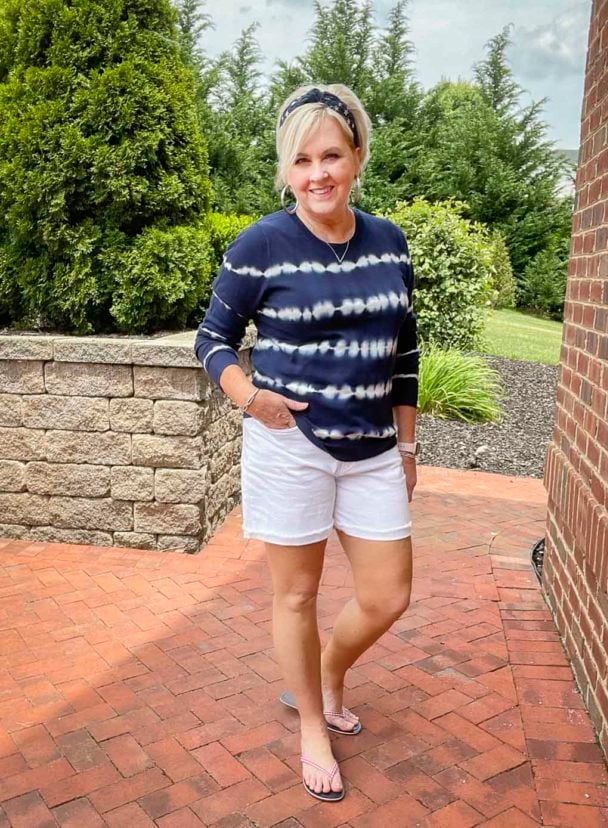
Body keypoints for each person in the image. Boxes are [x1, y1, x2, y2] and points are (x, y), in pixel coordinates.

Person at [195, 84, 419, 803]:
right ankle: (312, 728)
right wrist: (251, 398)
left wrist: (408, 448)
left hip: (375, 446)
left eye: (332, 155)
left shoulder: (390, 242)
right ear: (286, 171)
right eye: (302, 160)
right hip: (291, 443)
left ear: (356, 157)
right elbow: (213, 341)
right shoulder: (261, 244)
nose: (317, 173)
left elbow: (407, 352)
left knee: (387, 597)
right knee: (296, 596)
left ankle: (321, 676)